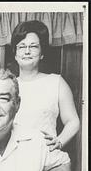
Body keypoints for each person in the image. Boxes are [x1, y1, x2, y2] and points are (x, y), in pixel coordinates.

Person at [10, 20, 80, 151]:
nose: (27, 51)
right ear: (15, 54)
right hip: (13, 156)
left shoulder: (56, 82)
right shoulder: (8, 85)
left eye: (33, 46)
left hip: (46, 156)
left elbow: (73, 121)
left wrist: (59, 141)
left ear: (42, 54)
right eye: (21, 46)